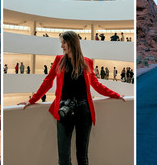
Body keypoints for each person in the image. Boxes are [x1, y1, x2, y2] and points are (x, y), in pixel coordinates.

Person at [18, 31, 125, 165]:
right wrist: (32, 100)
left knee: (82, 157)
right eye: (61, 43)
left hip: (84, 112)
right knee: (63, 159)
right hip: (64, 111)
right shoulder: (59, 61)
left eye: (64, 42)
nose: (62, 46)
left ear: (72, 43)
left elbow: (96, 85)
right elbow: (48, 81)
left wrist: (116, 95)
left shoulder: (87, 62)